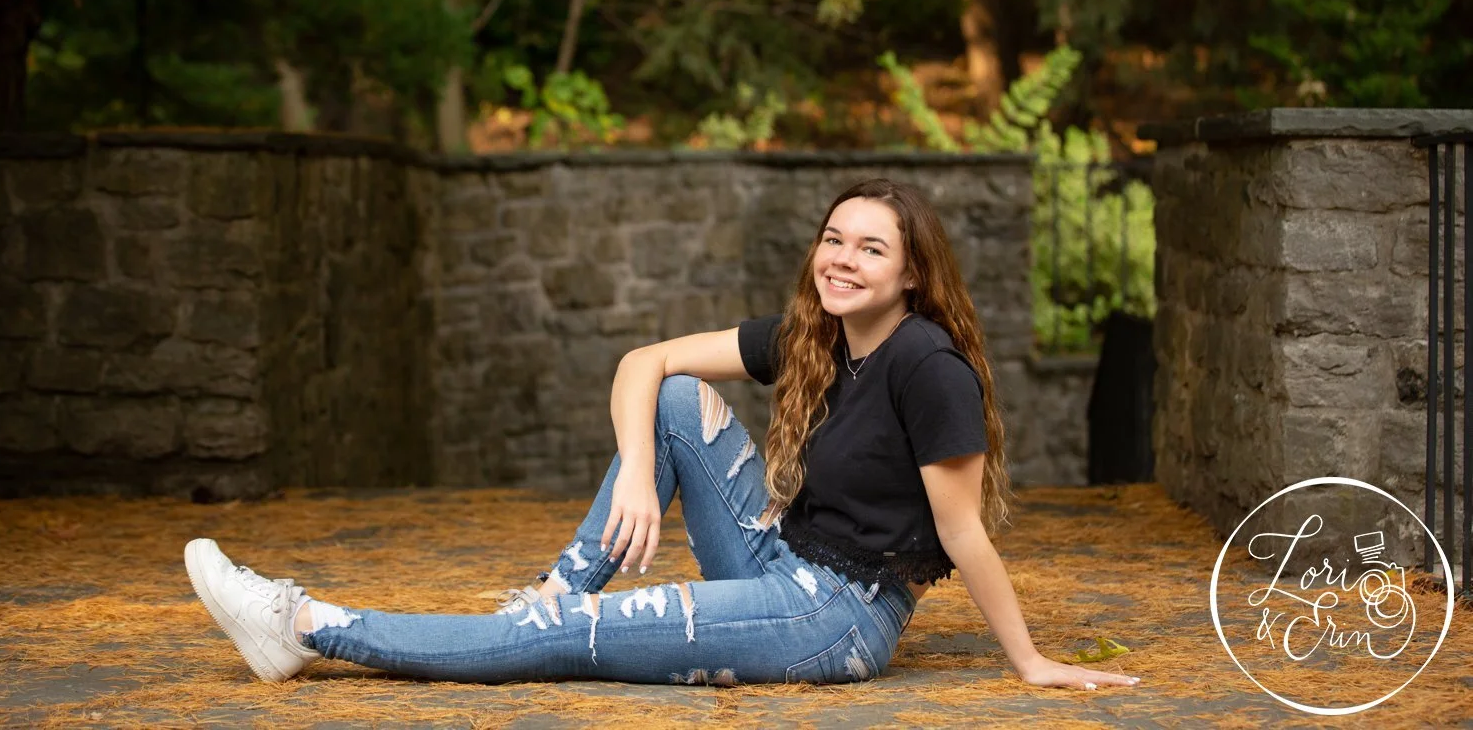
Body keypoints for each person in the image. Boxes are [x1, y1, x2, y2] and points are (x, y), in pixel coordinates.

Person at [185, 178, 1140, 692]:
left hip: (837, 616)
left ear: (914, 277)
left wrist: (1031, 663)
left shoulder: (928, 366)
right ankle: (555, 596)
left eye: (872, 248)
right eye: (834, 239)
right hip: (779, 562)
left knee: (566, 642)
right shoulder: (818, 335)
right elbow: (644, 364)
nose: (842, 260)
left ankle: (306, 626)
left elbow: (964, 531)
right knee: (677, 401)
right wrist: (640, 476)